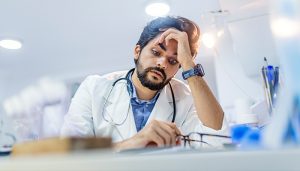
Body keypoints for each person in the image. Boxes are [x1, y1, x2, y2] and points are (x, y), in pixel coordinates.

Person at [61, 16, 228, 151]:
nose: (162, 63)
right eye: (156, 52)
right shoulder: (94, 88)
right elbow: (70, 156)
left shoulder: (186, 98)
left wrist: (188, 65)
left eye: (173, 60)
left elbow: (217, 140)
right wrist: (133, 143)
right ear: (137, 51)